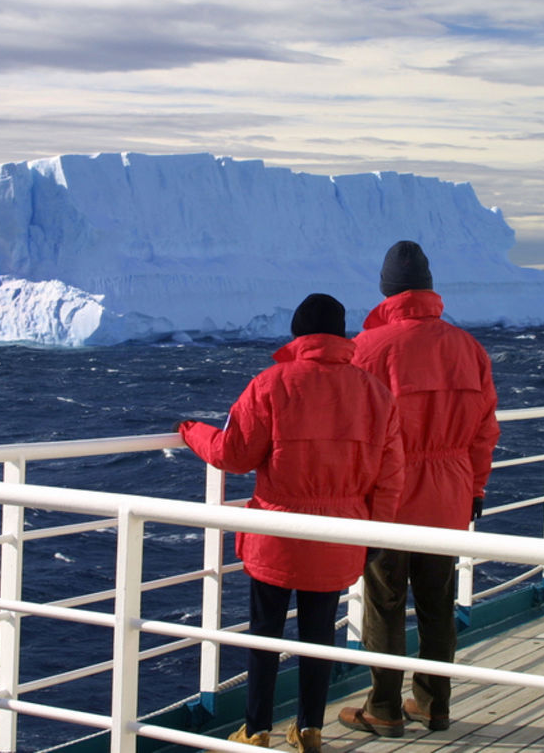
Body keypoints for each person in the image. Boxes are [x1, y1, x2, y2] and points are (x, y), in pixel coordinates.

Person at [179, 293, 405, 752]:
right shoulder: (374, 392)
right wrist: (373, 534)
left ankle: (256, 728)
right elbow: (390, 474)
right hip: (339, 532)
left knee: (265, 633)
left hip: (278, 534)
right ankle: (309, 731)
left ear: (298, 334)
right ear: (341, 335)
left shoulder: (272, 383)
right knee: (319, 636)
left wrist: (191, 431)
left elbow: (234, 454)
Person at [338, 240, 499, 738]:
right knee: (437, 602)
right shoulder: (468, 349)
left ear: (386, 292)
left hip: (389, 496)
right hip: (449, 494)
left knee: (385, 602)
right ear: (430, 289)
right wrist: (474, 489)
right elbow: (484, 431)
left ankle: (384, 708)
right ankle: (434, 704)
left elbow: (352, 432)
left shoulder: (367, 350)